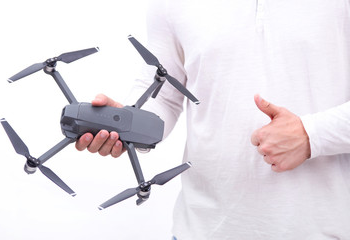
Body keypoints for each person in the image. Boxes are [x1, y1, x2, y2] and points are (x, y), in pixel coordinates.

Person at [76, 1, 350, 239]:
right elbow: (164, 92)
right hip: (202, 230)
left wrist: (312, 135)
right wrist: (129, 124)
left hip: (323, 231)